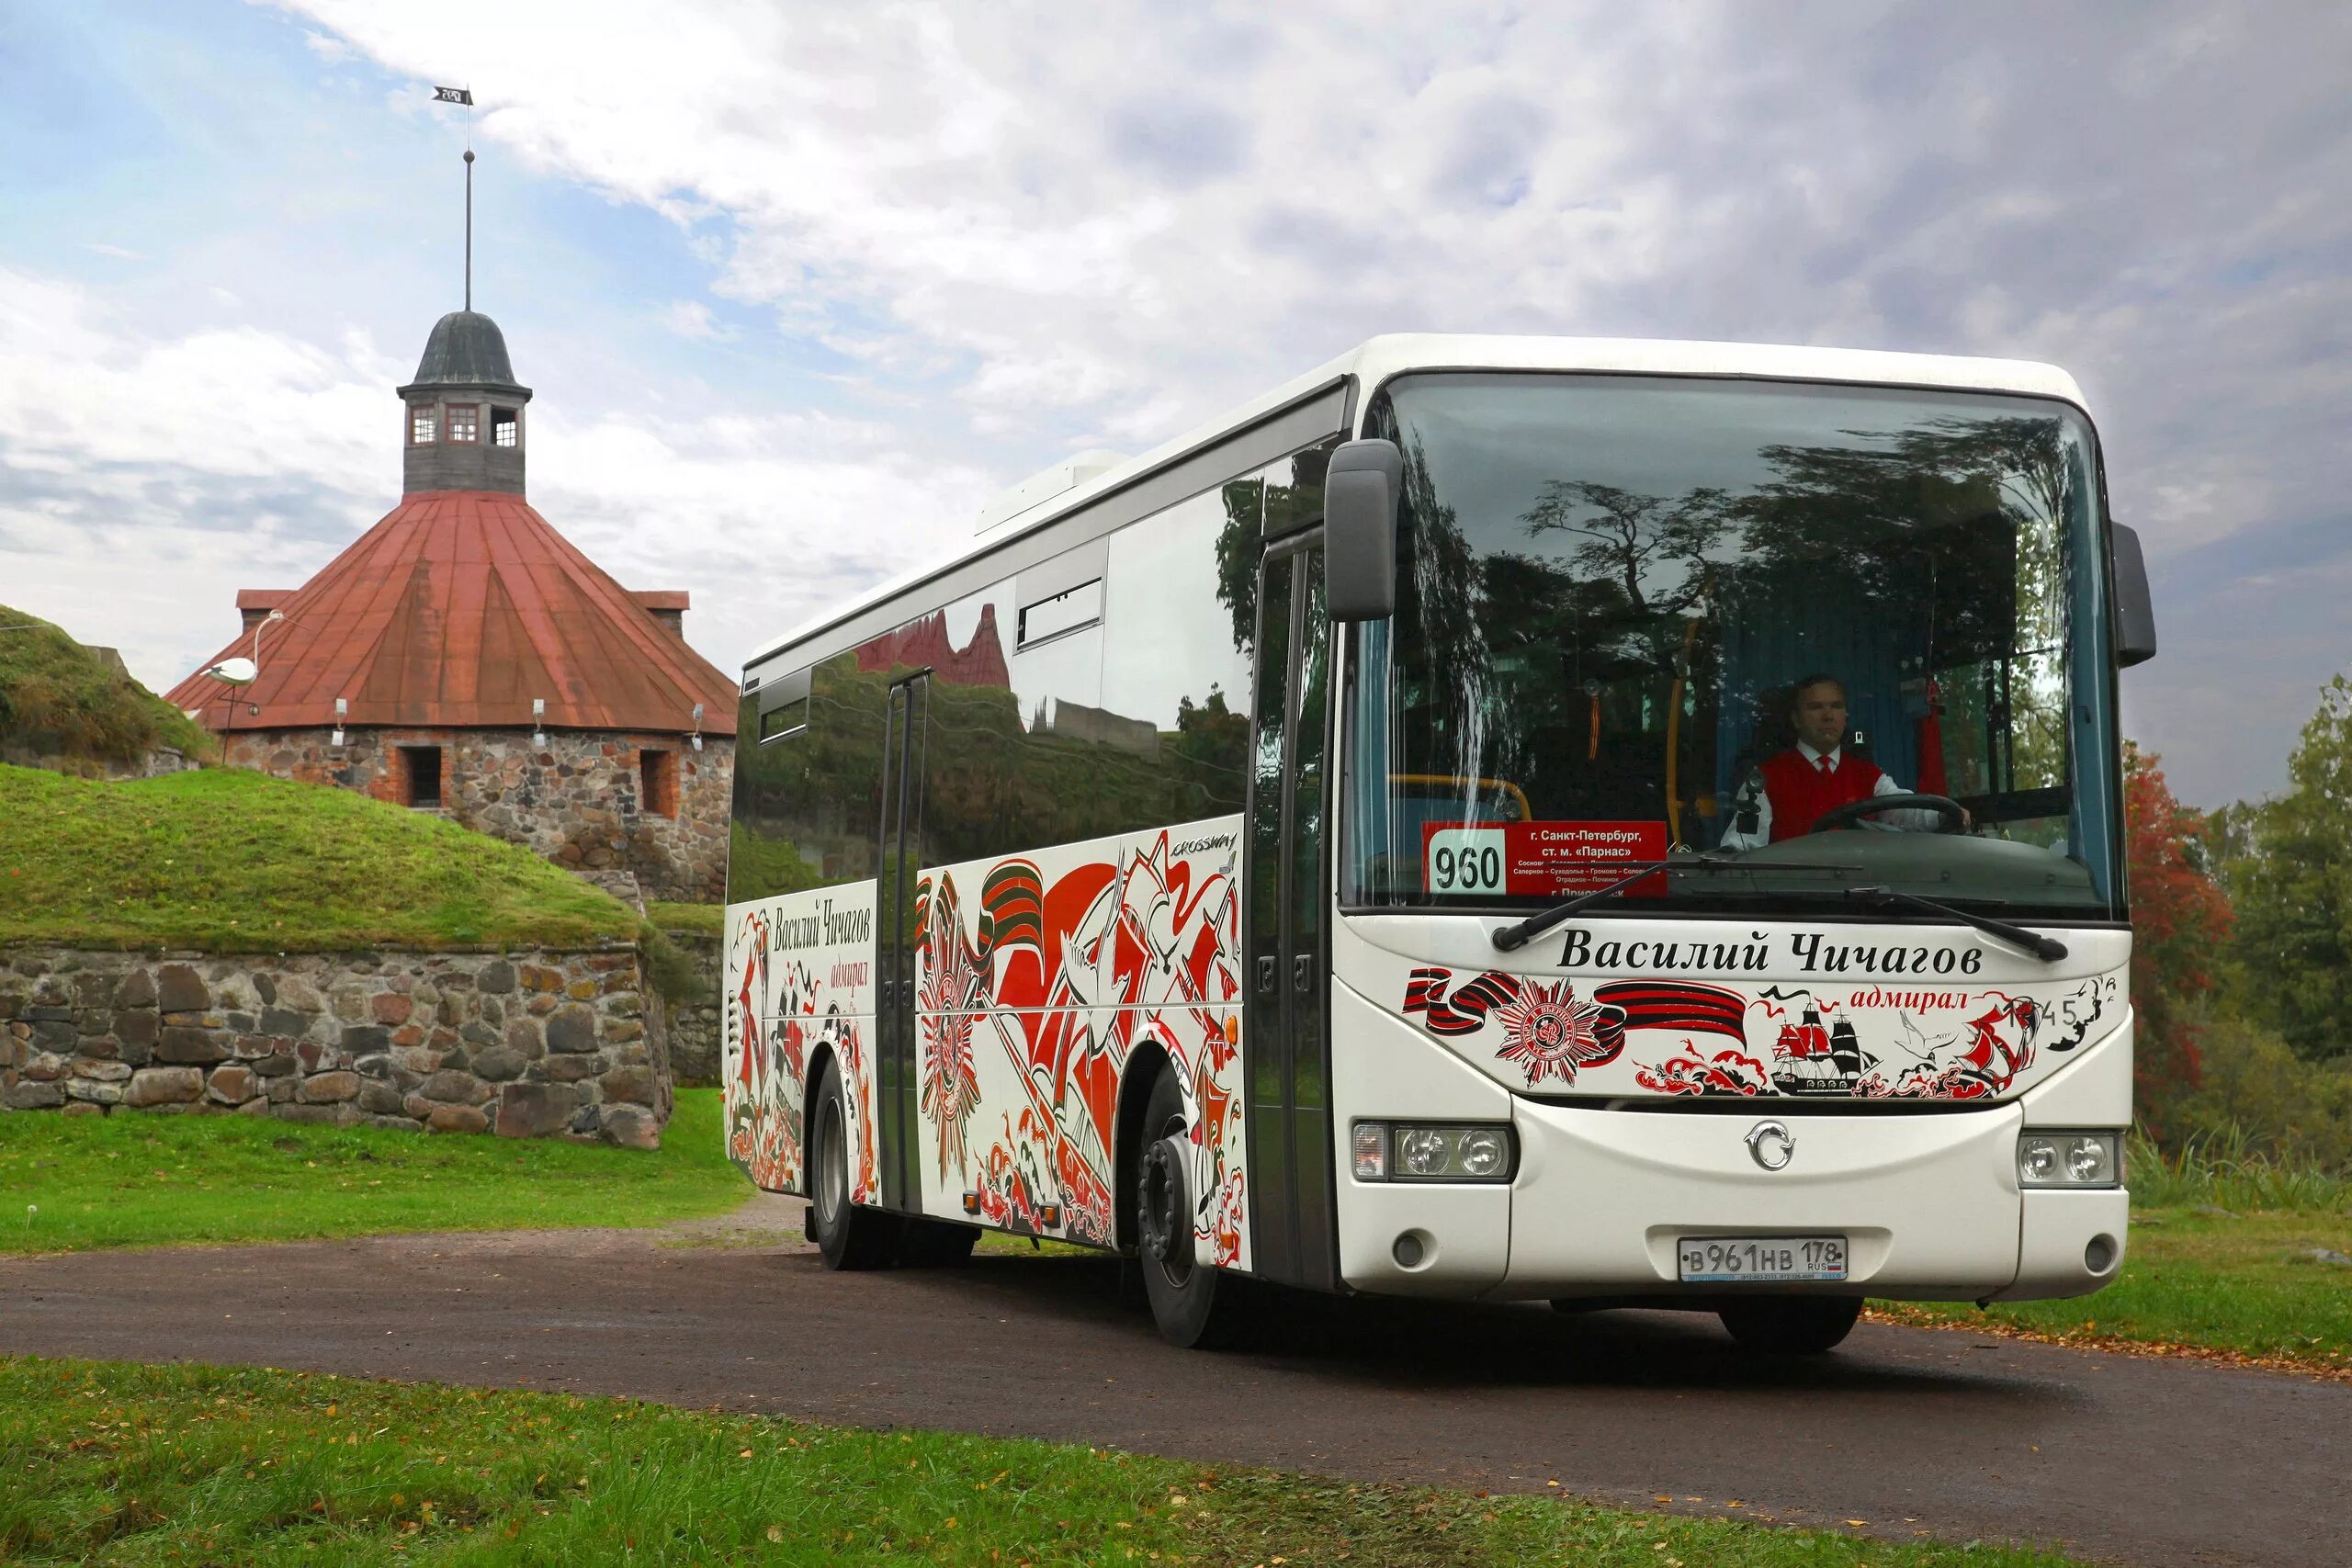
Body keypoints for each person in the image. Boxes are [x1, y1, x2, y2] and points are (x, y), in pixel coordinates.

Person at [1717, 673, 1960, 850]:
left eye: (1836, 706)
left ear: (1845, 717)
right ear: (1796, 719)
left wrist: (1942, 815)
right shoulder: (1762, 779)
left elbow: (1905, 813)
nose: (1827, 715)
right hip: (1792, 904)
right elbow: (1741, 843)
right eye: (1815, 707)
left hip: (1864, 898)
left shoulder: (1869, 774)